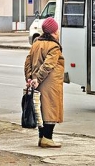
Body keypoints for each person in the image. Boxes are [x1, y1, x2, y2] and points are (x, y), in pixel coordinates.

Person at [24, 17, 64, 148]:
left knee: (40, 110)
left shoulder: (36, 44)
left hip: (38, 82)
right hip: (50, 83)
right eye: (56, 30)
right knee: (50, 110)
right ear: (53, 32)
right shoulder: (54, 46)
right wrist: (38, 78)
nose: (58, 32)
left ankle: (42, 137)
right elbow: (48, 65)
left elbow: (28, 62)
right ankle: (47, 138)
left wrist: (30, 78)